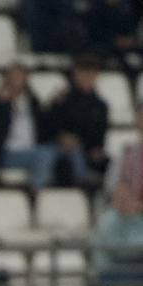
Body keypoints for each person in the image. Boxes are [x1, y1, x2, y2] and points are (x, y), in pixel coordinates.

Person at [0, 65, 52, 186]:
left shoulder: (32, 101)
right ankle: (37, 192)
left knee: (56, 152)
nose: (16, 80)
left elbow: (46, 124)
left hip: (31, 149)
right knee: (44, 154)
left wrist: (57, 104)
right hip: (7, 153)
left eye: (20, 76)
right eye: (13, 77)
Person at [39, 55, 111, 188]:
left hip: (85, 149)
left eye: (91, 74)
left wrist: (82, 143)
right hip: (57, 146)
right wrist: (61, 137)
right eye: (84, 73)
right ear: (75, 74)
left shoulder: (100, 106)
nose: (87, 78)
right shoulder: (62, 100)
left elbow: (99, 136)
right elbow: (47, 126)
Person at [93, 179, 143, 284]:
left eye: (128, 197)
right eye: (121, 198)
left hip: (132, 267)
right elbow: (120, 251)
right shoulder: (108, 220)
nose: (124, 201)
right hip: (109, 271)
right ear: (114, 199)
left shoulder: (135, 217)